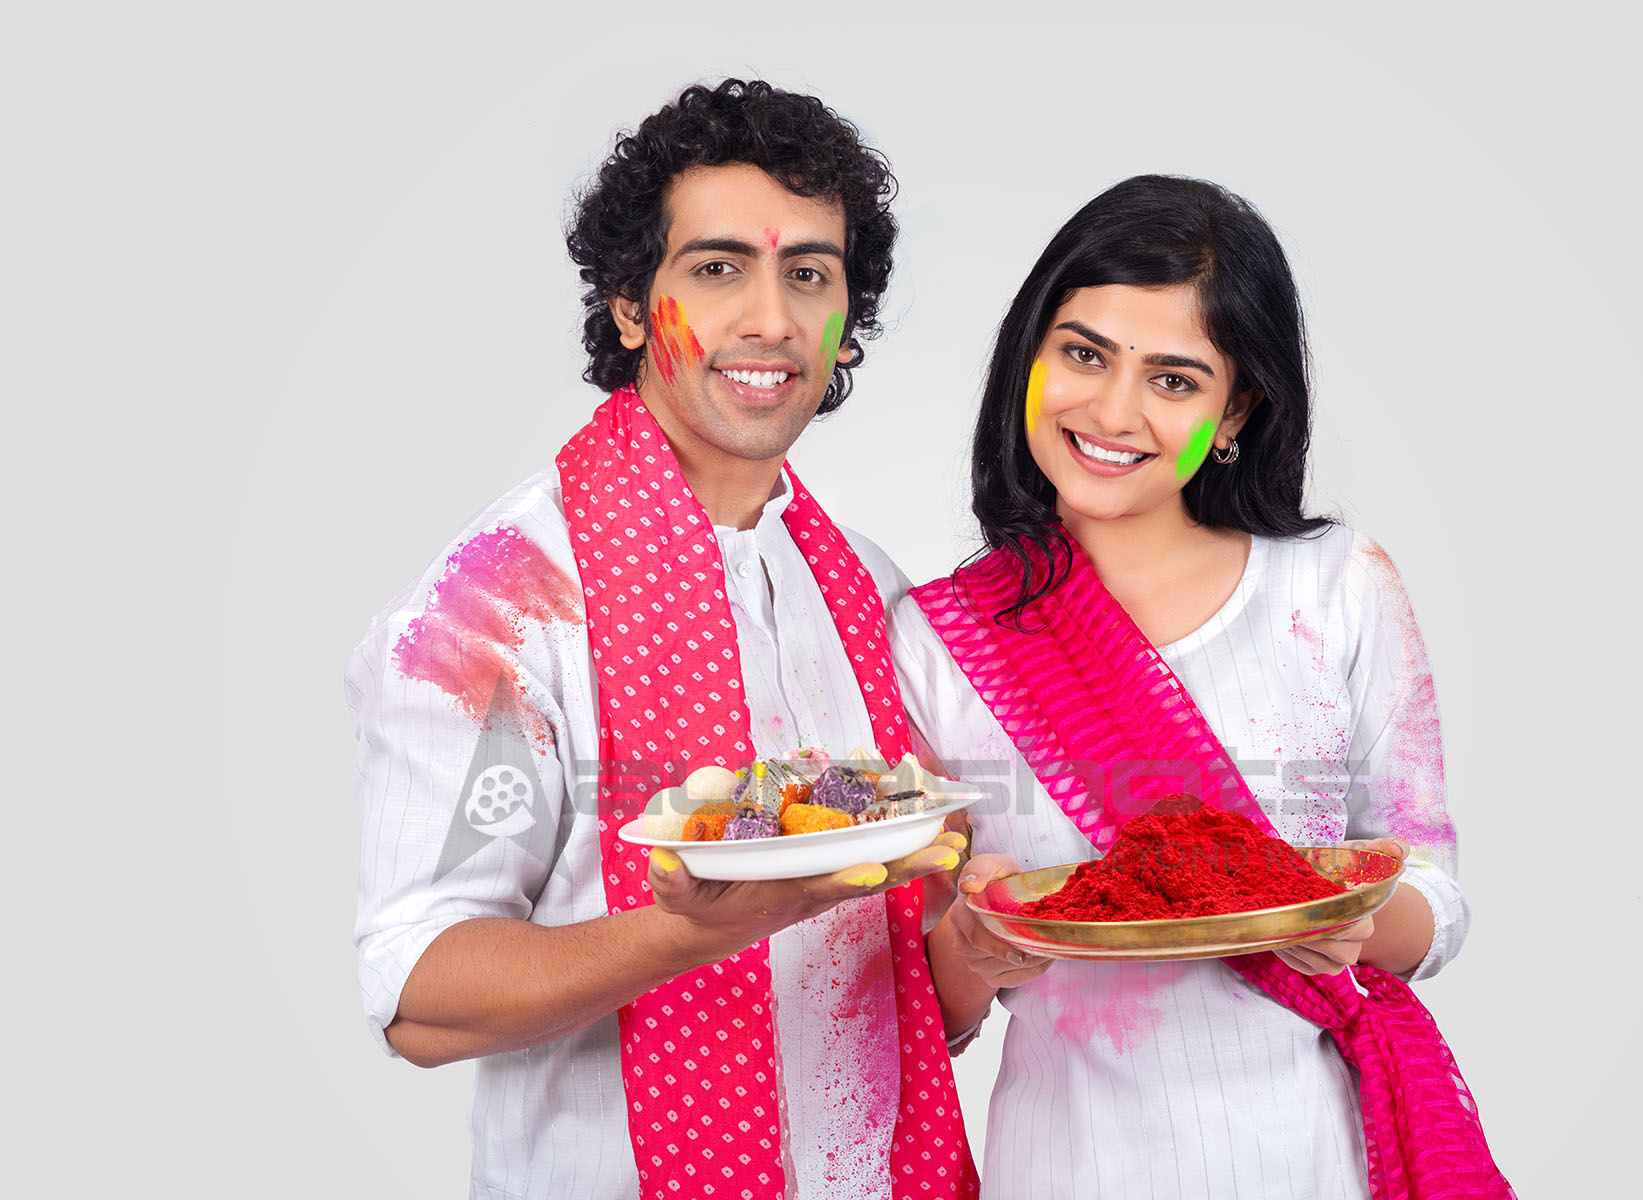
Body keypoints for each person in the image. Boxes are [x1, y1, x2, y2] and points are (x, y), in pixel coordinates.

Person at [348, 79, 978, 1199]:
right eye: (719, 268)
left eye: (810, 275)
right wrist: (695, 930)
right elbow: (422, 990)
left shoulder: (867, 592)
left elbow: (908, 987)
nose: (772, 322)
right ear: (632, 305)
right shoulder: (499, 606)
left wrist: (993, 930)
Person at [887, 176, 1511, 1197]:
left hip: (1320, 1159)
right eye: (1083, 354)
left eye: (1173, 379)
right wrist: (974, 947)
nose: (1113, 410)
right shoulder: (938, 640)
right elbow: (928, 1005)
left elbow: (1437, 900)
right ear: (1029, 359)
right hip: (1069, 1166)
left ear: (1238, 409)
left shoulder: (1337, 588)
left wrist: (1356, 920)